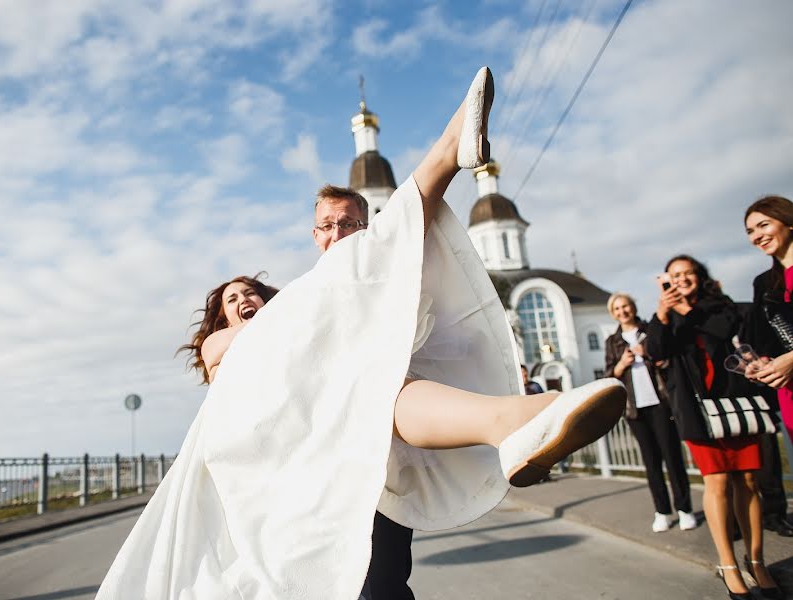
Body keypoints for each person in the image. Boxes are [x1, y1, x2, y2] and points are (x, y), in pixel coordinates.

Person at [96, 67, 626, 600]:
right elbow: (267, 345)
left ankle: (517, 420)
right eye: (232, 300)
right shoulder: (233, 340)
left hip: (361, 451)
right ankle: (445, 153)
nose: (245, 300)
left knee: (384, 573)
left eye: (252, 294)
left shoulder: (318, 313)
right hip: (287, 471)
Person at [647, 255, 781, 600]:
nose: (681, 280)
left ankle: (757, 561)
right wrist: (664, 312)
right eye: (674, 276)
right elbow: (656, 351)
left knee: (749, 480)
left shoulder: (718, 306)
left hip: (737, 402)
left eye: (687, 273)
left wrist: (687, 311)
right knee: (717, 482)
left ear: (699, 277)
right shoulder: (665, 315)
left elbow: (723, 332)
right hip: (696, 411)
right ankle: (728, 564)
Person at [604, 292, 695, 533]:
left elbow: (668, 359)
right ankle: (662, 511)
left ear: (633, 307)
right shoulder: (613, 342)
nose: (623, 311)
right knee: (651, 462)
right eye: (617, 309)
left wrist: (650, 356)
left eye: (626, 306)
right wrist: (621, 365)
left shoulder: (649, 331)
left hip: (660, 403)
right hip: (634, 410)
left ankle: (684, 509)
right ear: (613, 314)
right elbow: (607, 377)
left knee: (672, 457)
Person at [740, 195, 793, 538]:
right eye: (749, 231)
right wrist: (758, 363)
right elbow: (766, 343)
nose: (756, 235)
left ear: (788, 222)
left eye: (763, 225)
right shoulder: (765, 284)